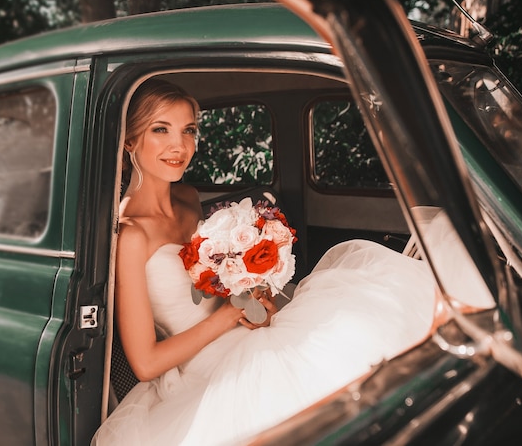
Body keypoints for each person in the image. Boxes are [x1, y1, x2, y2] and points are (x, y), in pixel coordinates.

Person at [91, 78, 447, 445]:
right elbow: (145, 363)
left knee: (363, 332)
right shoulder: (131, 235)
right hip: (202, 364)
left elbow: (213, 281)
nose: (179, 145)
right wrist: (227, 317)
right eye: (160, 129)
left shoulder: (188, 197)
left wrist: (250, 290)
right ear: (129, 140)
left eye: (189, 130)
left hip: (243, 326)